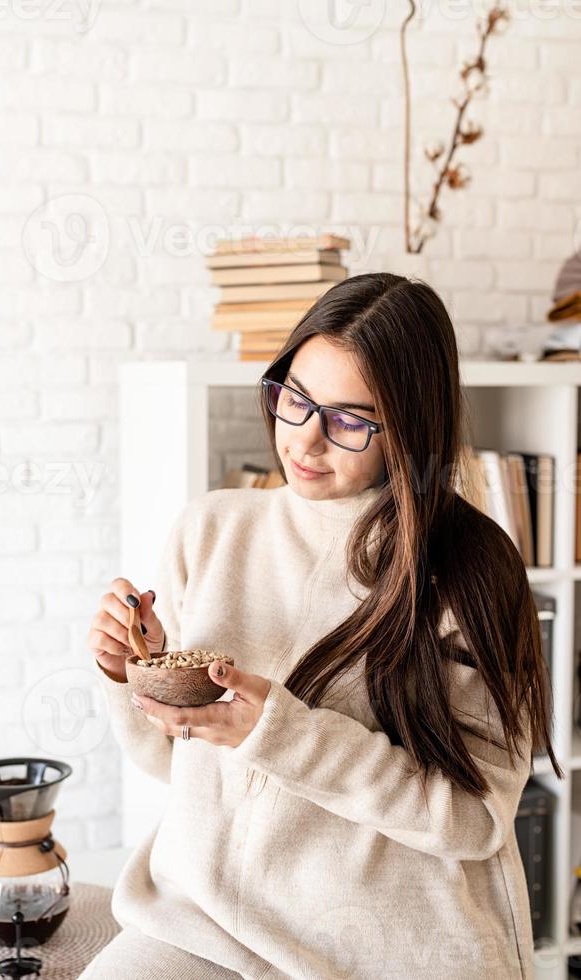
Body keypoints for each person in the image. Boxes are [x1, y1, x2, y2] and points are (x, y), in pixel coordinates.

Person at [83, 272, 562, 980]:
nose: (305, 440)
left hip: (384, 945)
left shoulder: (472, 572)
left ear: (410, 425)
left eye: (348, 419)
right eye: (295, 400)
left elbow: (475, 819)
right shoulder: (212, 528)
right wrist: (136, 675)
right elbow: (176, 767)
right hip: (198, 922)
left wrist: (276, 733)